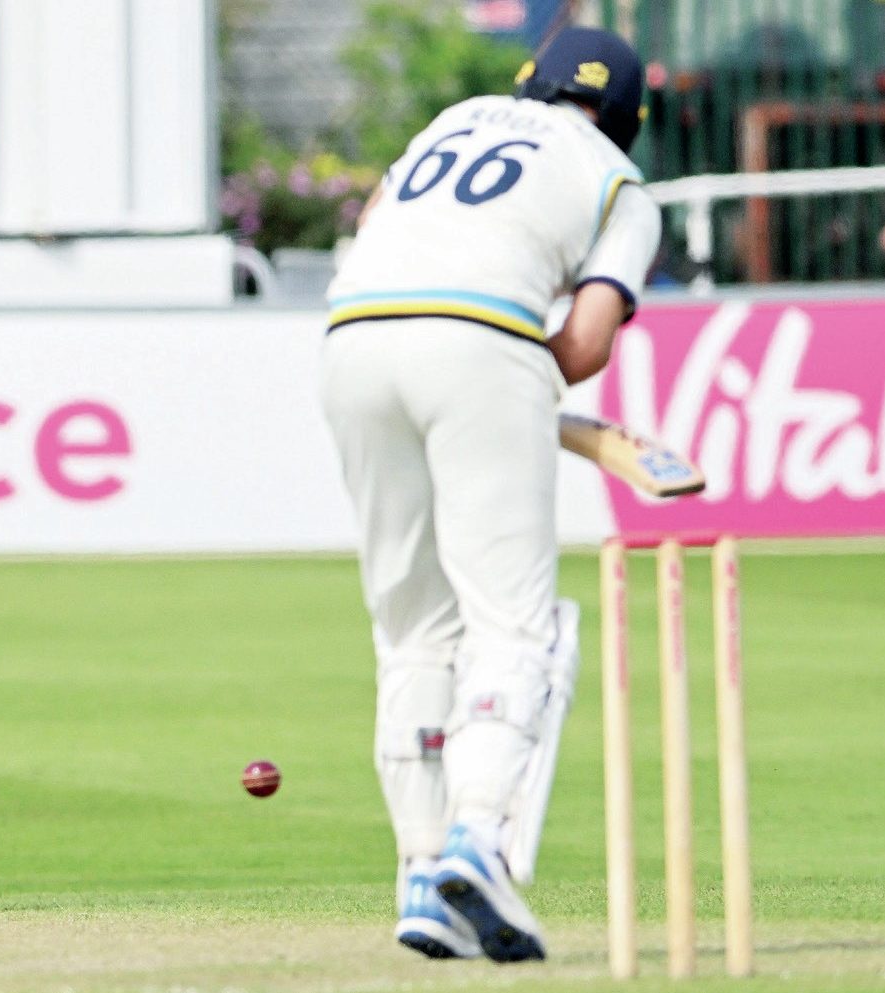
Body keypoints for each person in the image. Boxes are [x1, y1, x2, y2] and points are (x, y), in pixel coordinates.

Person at [319, 27, 660, 962]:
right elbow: (585, 342)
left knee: (412, 629)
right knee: (512, 624)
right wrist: (503, 382)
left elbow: (376, 226)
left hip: (352, 337)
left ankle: (422, 870)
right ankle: (477, 834)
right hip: (483, 340)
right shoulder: (621, 185)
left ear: (529, 83)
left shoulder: (456, 119)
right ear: (627, 118)